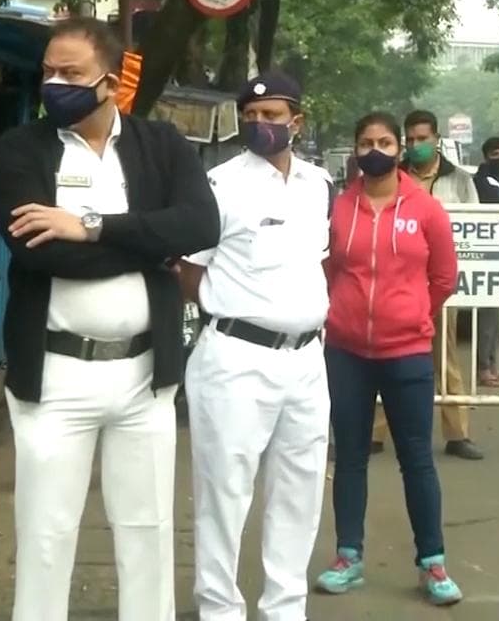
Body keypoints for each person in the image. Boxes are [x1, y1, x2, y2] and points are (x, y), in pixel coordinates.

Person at [0, 17, 220, 621]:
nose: (53, 84)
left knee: (147, 529)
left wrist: (90, 226)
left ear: (110, 83)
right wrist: (147, 240)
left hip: (144, 377)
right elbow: (36, 248)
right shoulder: (21, 148)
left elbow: (200, 224)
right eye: (47, 72)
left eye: (70, 74)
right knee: (46, 533)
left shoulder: (160, 144)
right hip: (56, 378)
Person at [178, 71, 333, 621]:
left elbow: (317, 262)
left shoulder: (318, 184)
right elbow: (189, 271)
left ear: (298, 122)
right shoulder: (218, 186)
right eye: (251, 116)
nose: (260, 124)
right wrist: (234, 306)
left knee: (300, 490)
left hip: (308, 360)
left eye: (272, 116)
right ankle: (219, 607)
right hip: (236, 358)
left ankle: (285, 606)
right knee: (224, 493)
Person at [315, 112, 465, 606]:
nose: (374, 149)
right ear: (355, 149)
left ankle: (433, 562)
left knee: (418, 459)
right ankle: (348, 556)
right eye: (365, 142)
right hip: (347, 352)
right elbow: (330, 267)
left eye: (383, 141)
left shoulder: (425, 209)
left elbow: (443, 276)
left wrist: (414, 313)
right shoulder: (339, 207)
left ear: (399, 149)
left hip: (407, 353)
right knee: (352, 456)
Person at [370, 109, 485, 460]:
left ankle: (457, 433)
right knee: (381, 355)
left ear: (437, 139)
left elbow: (477, 226)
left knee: (444, 354)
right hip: (395, 282)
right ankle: (374, 432)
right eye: (412, 140)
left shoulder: (460, 180)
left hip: (439, 284)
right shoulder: (393, 174)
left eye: (424, 138)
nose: (417, 145)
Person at [472, 135, 499, 386]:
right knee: (487, 317)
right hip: (487, 256)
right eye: (495, 154)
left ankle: (493, 366)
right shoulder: (481, 182)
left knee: (498, 316)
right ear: (486, 157)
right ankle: (483, 368)